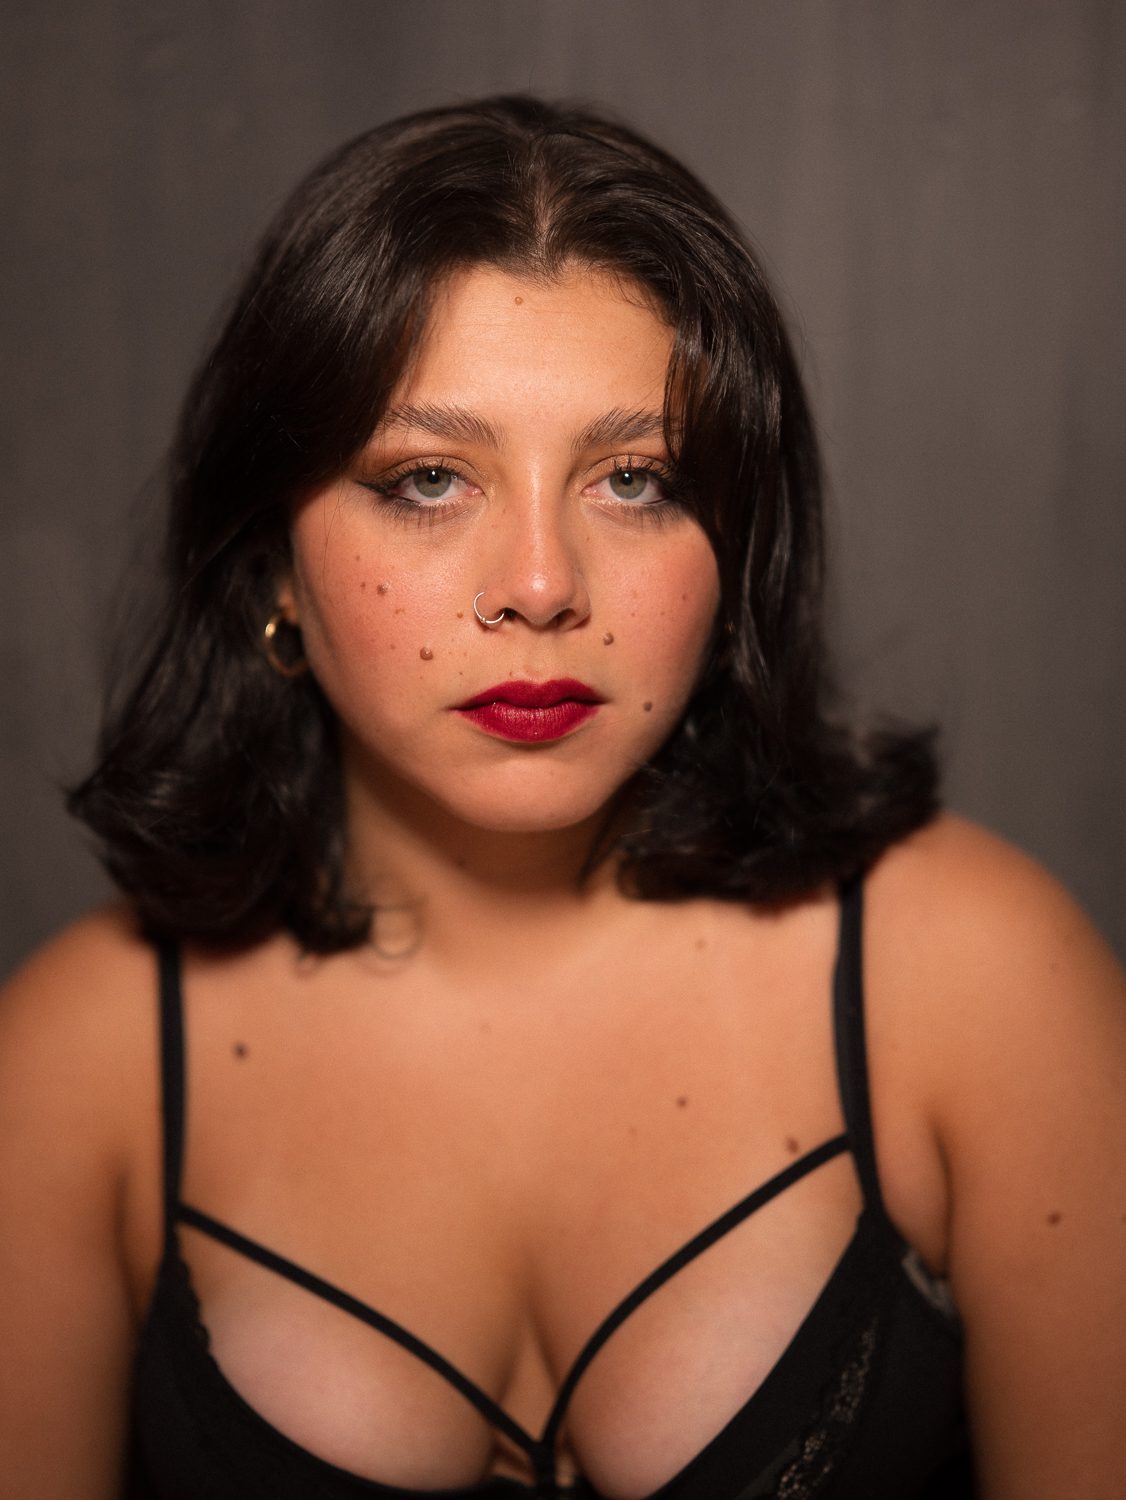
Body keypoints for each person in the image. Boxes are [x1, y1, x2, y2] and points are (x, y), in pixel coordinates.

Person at [0, 95, 1122, 1500]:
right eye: (427, 479)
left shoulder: (977, 981)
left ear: (736, 549)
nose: (540, 585)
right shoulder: (77, 1065)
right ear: (269, 558)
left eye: (634, 480)